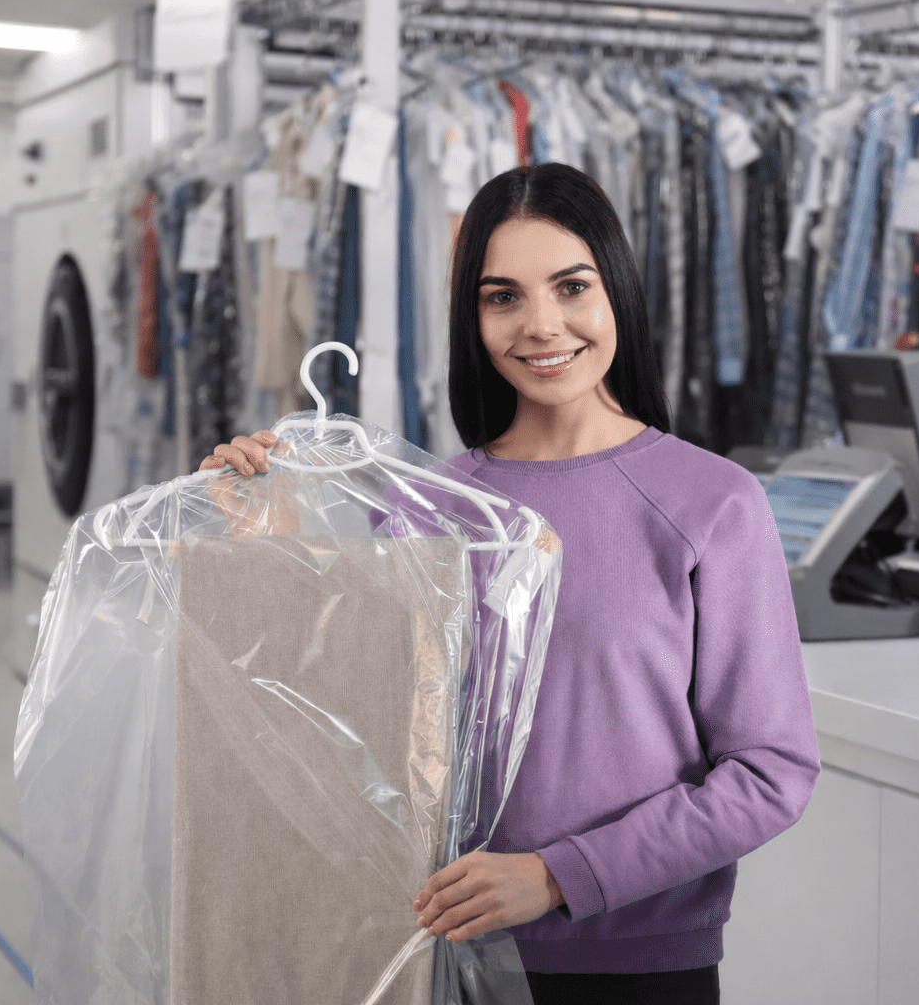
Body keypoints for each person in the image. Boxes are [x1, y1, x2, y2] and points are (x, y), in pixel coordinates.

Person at [202, 163, 819, 1005]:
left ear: (617, 294)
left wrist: (559, 876)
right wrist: (260, 547)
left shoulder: (710, 501)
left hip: (641, 969)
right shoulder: (424, 503)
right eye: (503, 297)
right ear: (473, 318)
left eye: (571, 286)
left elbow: (770, 772)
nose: (541, 325)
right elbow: (348, 727)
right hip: (436, 952)